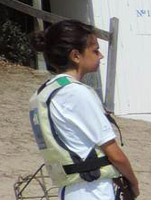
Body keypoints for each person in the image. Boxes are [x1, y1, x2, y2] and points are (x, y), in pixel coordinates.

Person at [29, 19, 139, 199]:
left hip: (71, 189)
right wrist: (133, 183)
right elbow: (114, 153)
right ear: (76, 55)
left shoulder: (45, 92)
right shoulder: (76, 93)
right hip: (93, 189)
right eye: (95, 50)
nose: (101, 56)